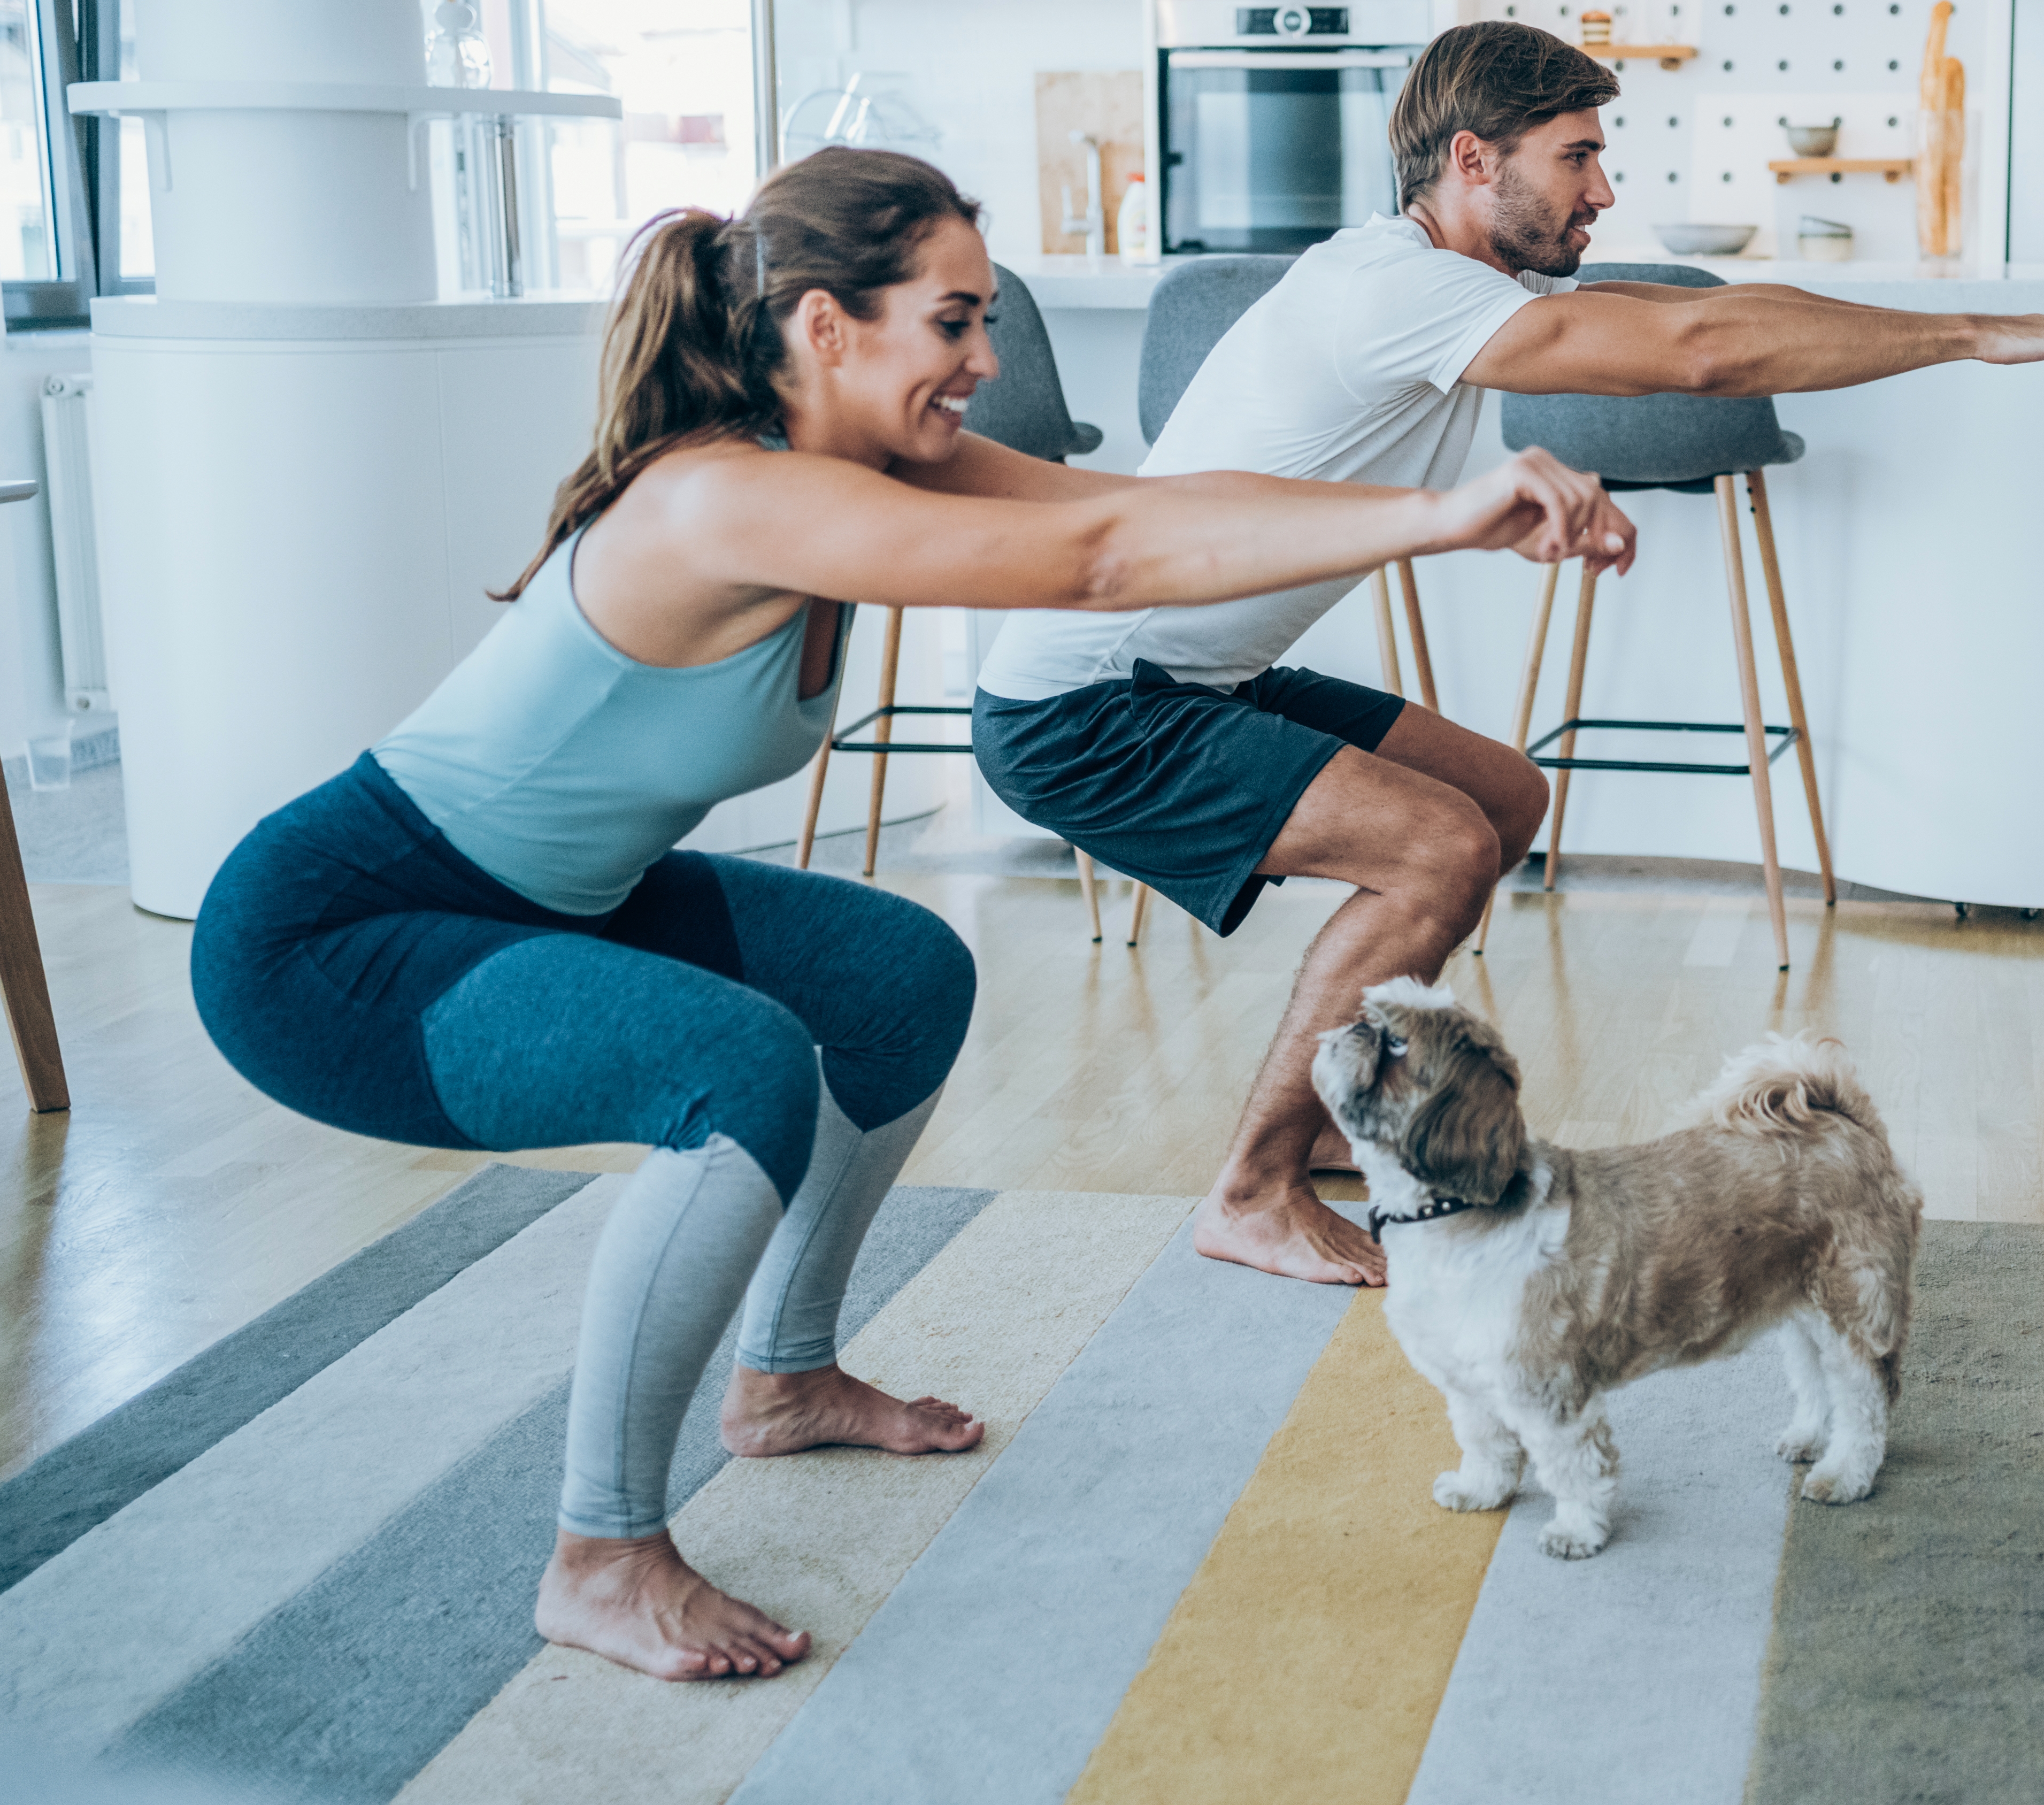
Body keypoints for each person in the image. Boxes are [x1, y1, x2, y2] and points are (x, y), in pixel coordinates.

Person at [188, 148, 1628, 1683]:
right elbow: (1100, 563)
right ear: (825, 326)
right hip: (336, 941)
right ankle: (600, 1554)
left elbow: (1140, 507)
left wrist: (1435, 503)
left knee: (894, 975)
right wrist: (1442, 516)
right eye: (952, 322)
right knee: (735, 1073)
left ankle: (787, 1380)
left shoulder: (865, 467)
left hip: (544, 902)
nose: (988, 360)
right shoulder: (727, 498)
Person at [961, 21, 2044, 1288]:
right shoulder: (1396, 288)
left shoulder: (1454, 278)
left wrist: (1956, 317)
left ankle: (1325, 1117)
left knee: (1500, 796)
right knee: (1436, 848)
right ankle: (1249, 1189)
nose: (1604, 190)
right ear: (1475, 161)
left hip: (1186, 677)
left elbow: (1697, 312)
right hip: (1087, 702)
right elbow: (1702, 354)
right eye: (1579, 156)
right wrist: (1977, 338)